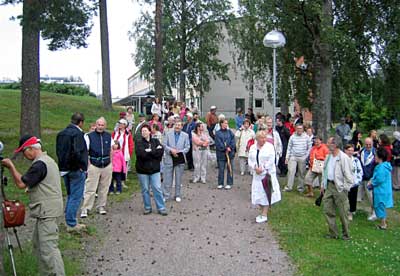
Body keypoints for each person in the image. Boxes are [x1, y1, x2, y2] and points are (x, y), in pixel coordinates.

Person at [2, 135, 65, 275]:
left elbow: (20, 183)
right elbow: (43, 182)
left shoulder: (39, 164)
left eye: (24, 152)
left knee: (49, 250)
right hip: (47, 211)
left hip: (46, 213)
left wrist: (11, 166)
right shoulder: (47, 161)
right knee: (38, 245)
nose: (24, 156)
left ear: (30, 148)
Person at [56, 112, 88, 231]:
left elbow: (59, 151)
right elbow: (77, 152)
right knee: (76, 196)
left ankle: (68, 218)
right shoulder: (77, 134)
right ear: (81, 122)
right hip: (75, 169)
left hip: (64, 168)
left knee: (70, 195)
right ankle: (71, 223)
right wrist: (80, 166)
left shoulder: (61, 134)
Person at [321, 136, 353, 240]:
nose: (327, 144)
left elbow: (349, 177)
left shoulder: (344, 158)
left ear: (335, 145)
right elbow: (325, 171)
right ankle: (333, 233)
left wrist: (344, 188)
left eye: (329, 143)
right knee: (327, 209)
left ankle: (346, 235)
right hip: (329, 186)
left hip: (339, 188)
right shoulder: (328, 157)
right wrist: (323, 185)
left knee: (343, 212)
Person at [81, 117, 113, 218]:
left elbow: (111, 150)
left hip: (107, 164)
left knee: (104, 187)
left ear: (105, 126)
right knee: (90, 188)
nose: (100, 127)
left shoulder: (108, 136)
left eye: (102, 125)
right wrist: (88, 164)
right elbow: (85, 151)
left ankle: (101, 206)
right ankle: (85, 208)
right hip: (94, 164)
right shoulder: (89, 136)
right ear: (96, 125)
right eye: (99, 125)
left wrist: (111, 163)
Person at [248, 131, 281, 223]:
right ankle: (262, 210)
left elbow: (271, 160)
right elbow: (250, 159)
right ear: (257, 139)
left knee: (266, 193)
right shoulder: (253, 147)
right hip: (257, 174)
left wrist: (262, 168)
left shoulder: (269, 147)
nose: (263, 140)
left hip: (267, 174)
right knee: (257, 194)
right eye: (261, 138)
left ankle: (264, 214)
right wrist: (255, 167)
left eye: (264, 138)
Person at [135, 124, 168, 215]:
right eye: (142, 131)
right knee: (145, 189)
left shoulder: (156, 141)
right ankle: (147, 207)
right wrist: (153, 152)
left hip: (155, 169)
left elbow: (160, 153)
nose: (144, 132)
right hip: (142, 170)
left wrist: (149, 152)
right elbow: (141, 154)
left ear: (150, 131)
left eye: (145, 130)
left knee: (157, 188)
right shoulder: (139, 142)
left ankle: (161, 207)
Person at [162, 120, 190, 202]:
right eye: (176, 125)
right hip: (169, 157)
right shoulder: (168, 134)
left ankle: (177, 195)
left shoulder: (185, 135)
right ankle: (166, 195)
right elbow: (164, 144)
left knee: (178, 178)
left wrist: (179, 152)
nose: (177, 126)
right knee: (167, 178)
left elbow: (187, 147)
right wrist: (171, 151)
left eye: (179, 125)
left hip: (179, 157)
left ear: (182, 127)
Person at [367, 148, 393, 229]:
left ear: (380, 157)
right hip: (384, 189)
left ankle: (383, 224)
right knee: (381, 206)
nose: (375, 157)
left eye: (376, 156)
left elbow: (379, 179)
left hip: (381, 190)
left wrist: (371, 183)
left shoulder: (381, 167)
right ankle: (383, 223)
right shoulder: (385, 166)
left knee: (379, 206)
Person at [284, 124, 312, 192]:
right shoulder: (292, 137)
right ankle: (289, 187)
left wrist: (306, 156)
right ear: (296, 129)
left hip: (302, 157)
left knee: (301, 173)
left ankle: (300, 188)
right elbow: (289, 148)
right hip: (293, 156)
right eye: (298, 128)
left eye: (300, 128)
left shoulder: (306, 137)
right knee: (291, 171)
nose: (299, 130)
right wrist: (287, 157)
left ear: (303, 129)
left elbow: (309, 148)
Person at [357, 137, 377, 221]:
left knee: (371, 197)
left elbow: (377, 166)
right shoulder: (361, 151)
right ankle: (355, 209)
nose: (368, 146)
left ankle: (374, 212)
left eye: (370, 144)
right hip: (361, 177)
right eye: (367, 144)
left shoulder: (375, 152)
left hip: (370, 178)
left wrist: (373, 178)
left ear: (372, 144)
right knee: (358, 195)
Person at [344, 144, 363, 221]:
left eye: (352, 150)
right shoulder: (341, 160)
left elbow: (360, 171)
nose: (350, 152)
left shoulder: (356, 160)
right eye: (349, 150)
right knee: (344, 198)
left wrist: (357, 181)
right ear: (345, 151)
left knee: (352, 199)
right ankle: (344, 211)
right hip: (344, 183)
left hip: (354, 184)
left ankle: (351, 212)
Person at [215, 119, 236, 190]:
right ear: (221, 124)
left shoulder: (230, 132)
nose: (226, 124)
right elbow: (218, 143)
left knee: (230, 168)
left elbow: (233, 141)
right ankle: (220, 183)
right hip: (221, 154)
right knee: (221, 169)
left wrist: (230, 147)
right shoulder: (218, 133)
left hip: (230, 154)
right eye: (225, 123)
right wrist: (225, 148)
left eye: (227, 123)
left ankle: (229, 183)